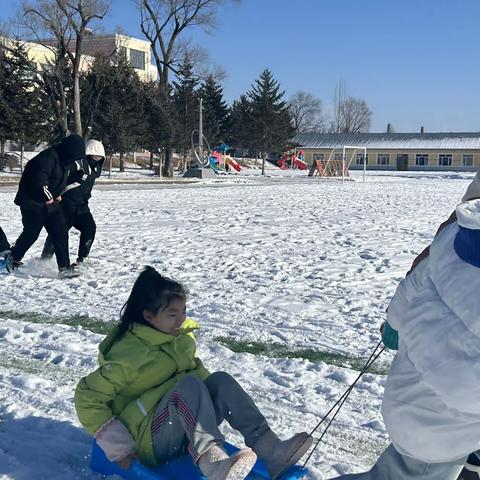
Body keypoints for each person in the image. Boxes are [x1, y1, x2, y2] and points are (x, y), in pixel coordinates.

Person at [75, 267, 313, 480]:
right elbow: (87, 397)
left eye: (183, 312)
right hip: (147, 442)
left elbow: (200, 379)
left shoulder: (178, 340)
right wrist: (119, 447)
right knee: (188, 386)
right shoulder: (130, 355)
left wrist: (212, 400)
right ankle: (213, 463)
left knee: (220, 381)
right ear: (149, 316)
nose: (181, 320)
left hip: (179, 429)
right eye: (172, 314)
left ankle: (270, 450)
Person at [331, 198, 480, 480]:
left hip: (408, 402)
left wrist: (395, 322)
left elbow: (418, 278)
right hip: (437, 436)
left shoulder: (456, 239)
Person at [8, 134, 85, 279]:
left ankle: (64, 268)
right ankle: (12, 258)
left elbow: (59, 179)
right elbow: (39, 181)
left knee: (60, 232)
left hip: (49, 202)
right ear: (69, 150)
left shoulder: (64, 159)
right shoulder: (47, 158)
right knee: (32, 232)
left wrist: (57, 193)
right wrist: (49, 197)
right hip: (31, 202)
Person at [41, 139, 105, 266]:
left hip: (82, 206)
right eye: (94, 157)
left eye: (99, 157)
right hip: (64, 205)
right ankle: (45, 259)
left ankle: (83, 258)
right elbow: (63, 172)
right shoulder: (77, 164)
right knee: (58, 233)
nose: (96, 159)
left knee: (90, 228)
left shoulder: (95, 170)